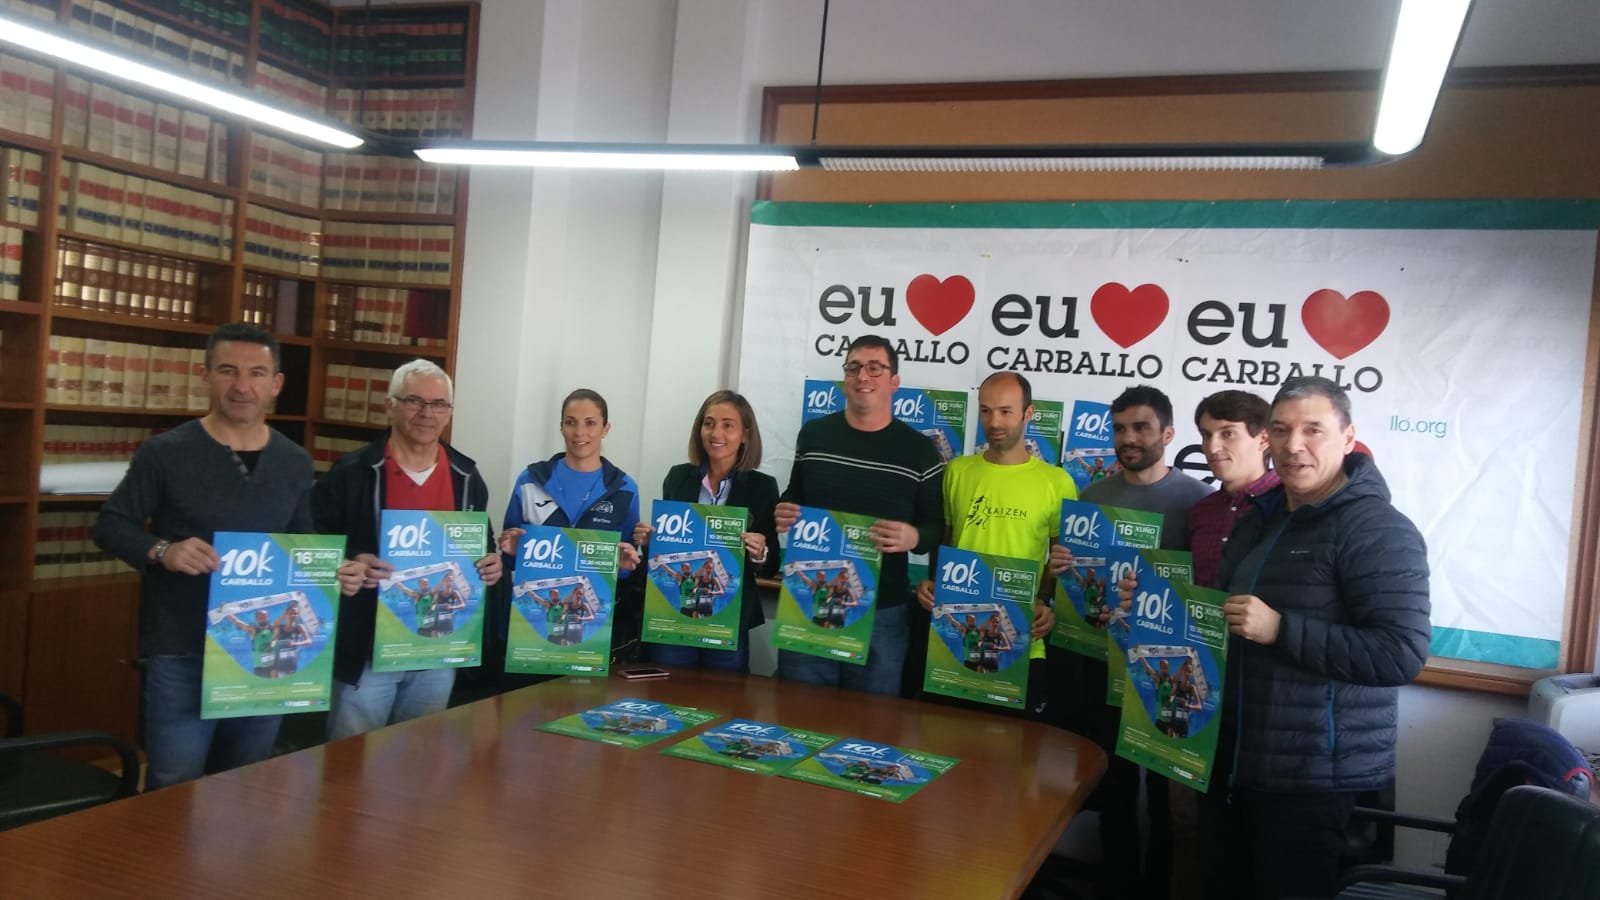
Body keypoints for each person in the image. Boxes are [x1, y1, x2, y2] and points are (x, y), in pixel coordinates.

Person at [94, 323, 363, 790]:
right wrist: (162, 550)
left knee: (245, 784)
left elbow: (302, 540)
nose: (242, 386)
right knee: (174, 783)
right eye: (227, 371)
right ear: (205, 376)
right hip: (184, 649)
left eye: (256, 373)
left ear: (276, 383)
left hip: (265, 657)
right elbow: (111, 524)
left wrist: (335, 571)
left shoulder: (294, 460)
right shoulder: (165, 452)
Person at [1195, 376, 1431, 900]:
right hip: (1234, 760)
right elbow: (1225, 617)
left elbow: (1400, 654)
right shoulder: (1261, 519)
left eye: (1313, 430)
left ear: (1348, 438)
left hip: (1311, 780)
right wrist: (1152, 604)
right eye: (1281, 430)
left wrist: (1281, 629)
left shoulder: (1377, 528)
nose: (1293, 444)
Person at [1059, 384, 1213, 900]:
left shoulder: (1198, 503)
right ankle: (1118, 887)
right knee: (1116, 791)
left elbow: (1206, 592)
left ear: (1168, 434)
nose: (1128, 437)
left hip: (1170, 673)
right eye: (1120, 428)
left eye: (1141, 427)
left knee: (1168, 803)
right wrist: (1064, 569)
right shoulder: (1092, 498)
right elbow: (1080, 588)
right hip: (1105, 668)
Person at [312, 358, 501, 741]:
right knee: (349, 761)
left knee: (420, 760)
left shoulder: (467, 476)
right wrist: (345, 563)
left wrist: (492, 564)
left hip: (437, 654)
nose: (426, 413)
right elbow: (311, 543)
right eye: (414, 401)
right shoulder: (353, 472)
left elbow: (483, 545)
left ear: (449, 412)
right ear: (390, 405)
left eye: (438, 404)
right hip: (366, 653)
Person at [775, 335, 944, 696]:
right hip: (808, 601)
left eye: (874, 368)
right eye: (853, 367)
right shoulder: (814, 435)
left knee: (871, 722)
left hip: (883, 611)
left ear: (894, 381)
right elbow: (795, 495)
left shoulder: (920, 451)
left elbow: (936, 527)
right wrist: (785, 509)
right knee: (799, 712)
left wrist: (914, 537)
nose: (862, 376)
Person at [914, 371, 1073, 717]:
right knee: (942, 736)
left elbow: (1061, 556)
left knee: (1015, 746)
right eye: (986, 411)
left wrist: (1046, 600)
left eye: (1005, 411)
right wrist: (933, 583)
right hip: (952, 639)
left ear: (1028, 413)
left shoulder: (1057, 482)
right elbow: (945, 541)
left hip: (1023, 639)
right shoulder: (957, 471)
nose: (994, 422)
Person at [633, 390, 779, 671]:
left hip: (728, 619)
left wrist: (761, 553)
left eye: (728, 425)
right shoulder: (678, 478)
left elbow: (771, 564)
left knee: (724, 695)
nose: (716, 433)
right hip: (674, 617)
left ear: (745, 434)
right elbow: (668, 551)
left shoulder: (762, 487)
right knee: (668, 691)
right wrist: (651, 542)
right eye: (709, 423)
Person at [501, 389, 642, 659]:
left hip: (592, 632)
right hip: (530, 630)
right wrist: (509, 551)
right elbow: (510, 558)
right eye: (571, 422)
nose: (579, 432)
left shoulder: (625, 489)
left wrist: (625, 567)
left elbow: (624, 565)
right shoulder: (530, 480)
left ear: (605, 429)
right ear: (561, 426)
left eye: (590, 423)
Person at [1188, 390, 1280, 589]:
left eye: (1228, 434)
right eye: (1206, 435)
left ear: (1264, 439)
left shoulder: (1291, 504)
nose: (1212, 447)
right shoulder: (1201, 510)